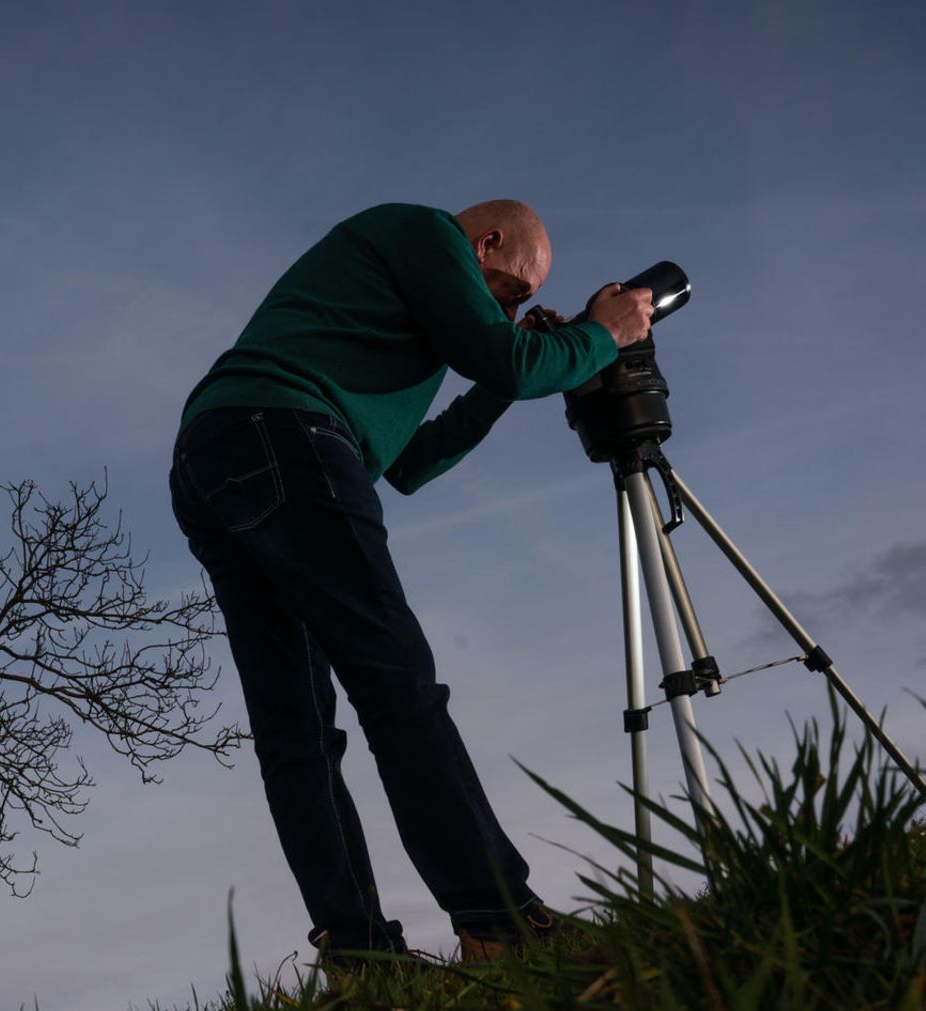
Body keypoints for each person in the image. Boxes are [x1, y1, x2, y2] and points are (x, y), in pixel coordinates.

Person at [169, 200, 653, 967]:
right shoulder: (426, 232)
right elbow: (514, 364)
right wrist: (605, 332)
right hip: (286, 431)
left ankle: (361, 960)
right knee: (397, 683)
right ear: (486, 241)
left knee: (295, 726)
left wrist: (507, 374)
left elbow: (413, 463)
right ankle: (499, 924)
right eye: (514, 291)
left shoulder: (397, 321)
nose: (511, 308)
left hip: (219, 454)